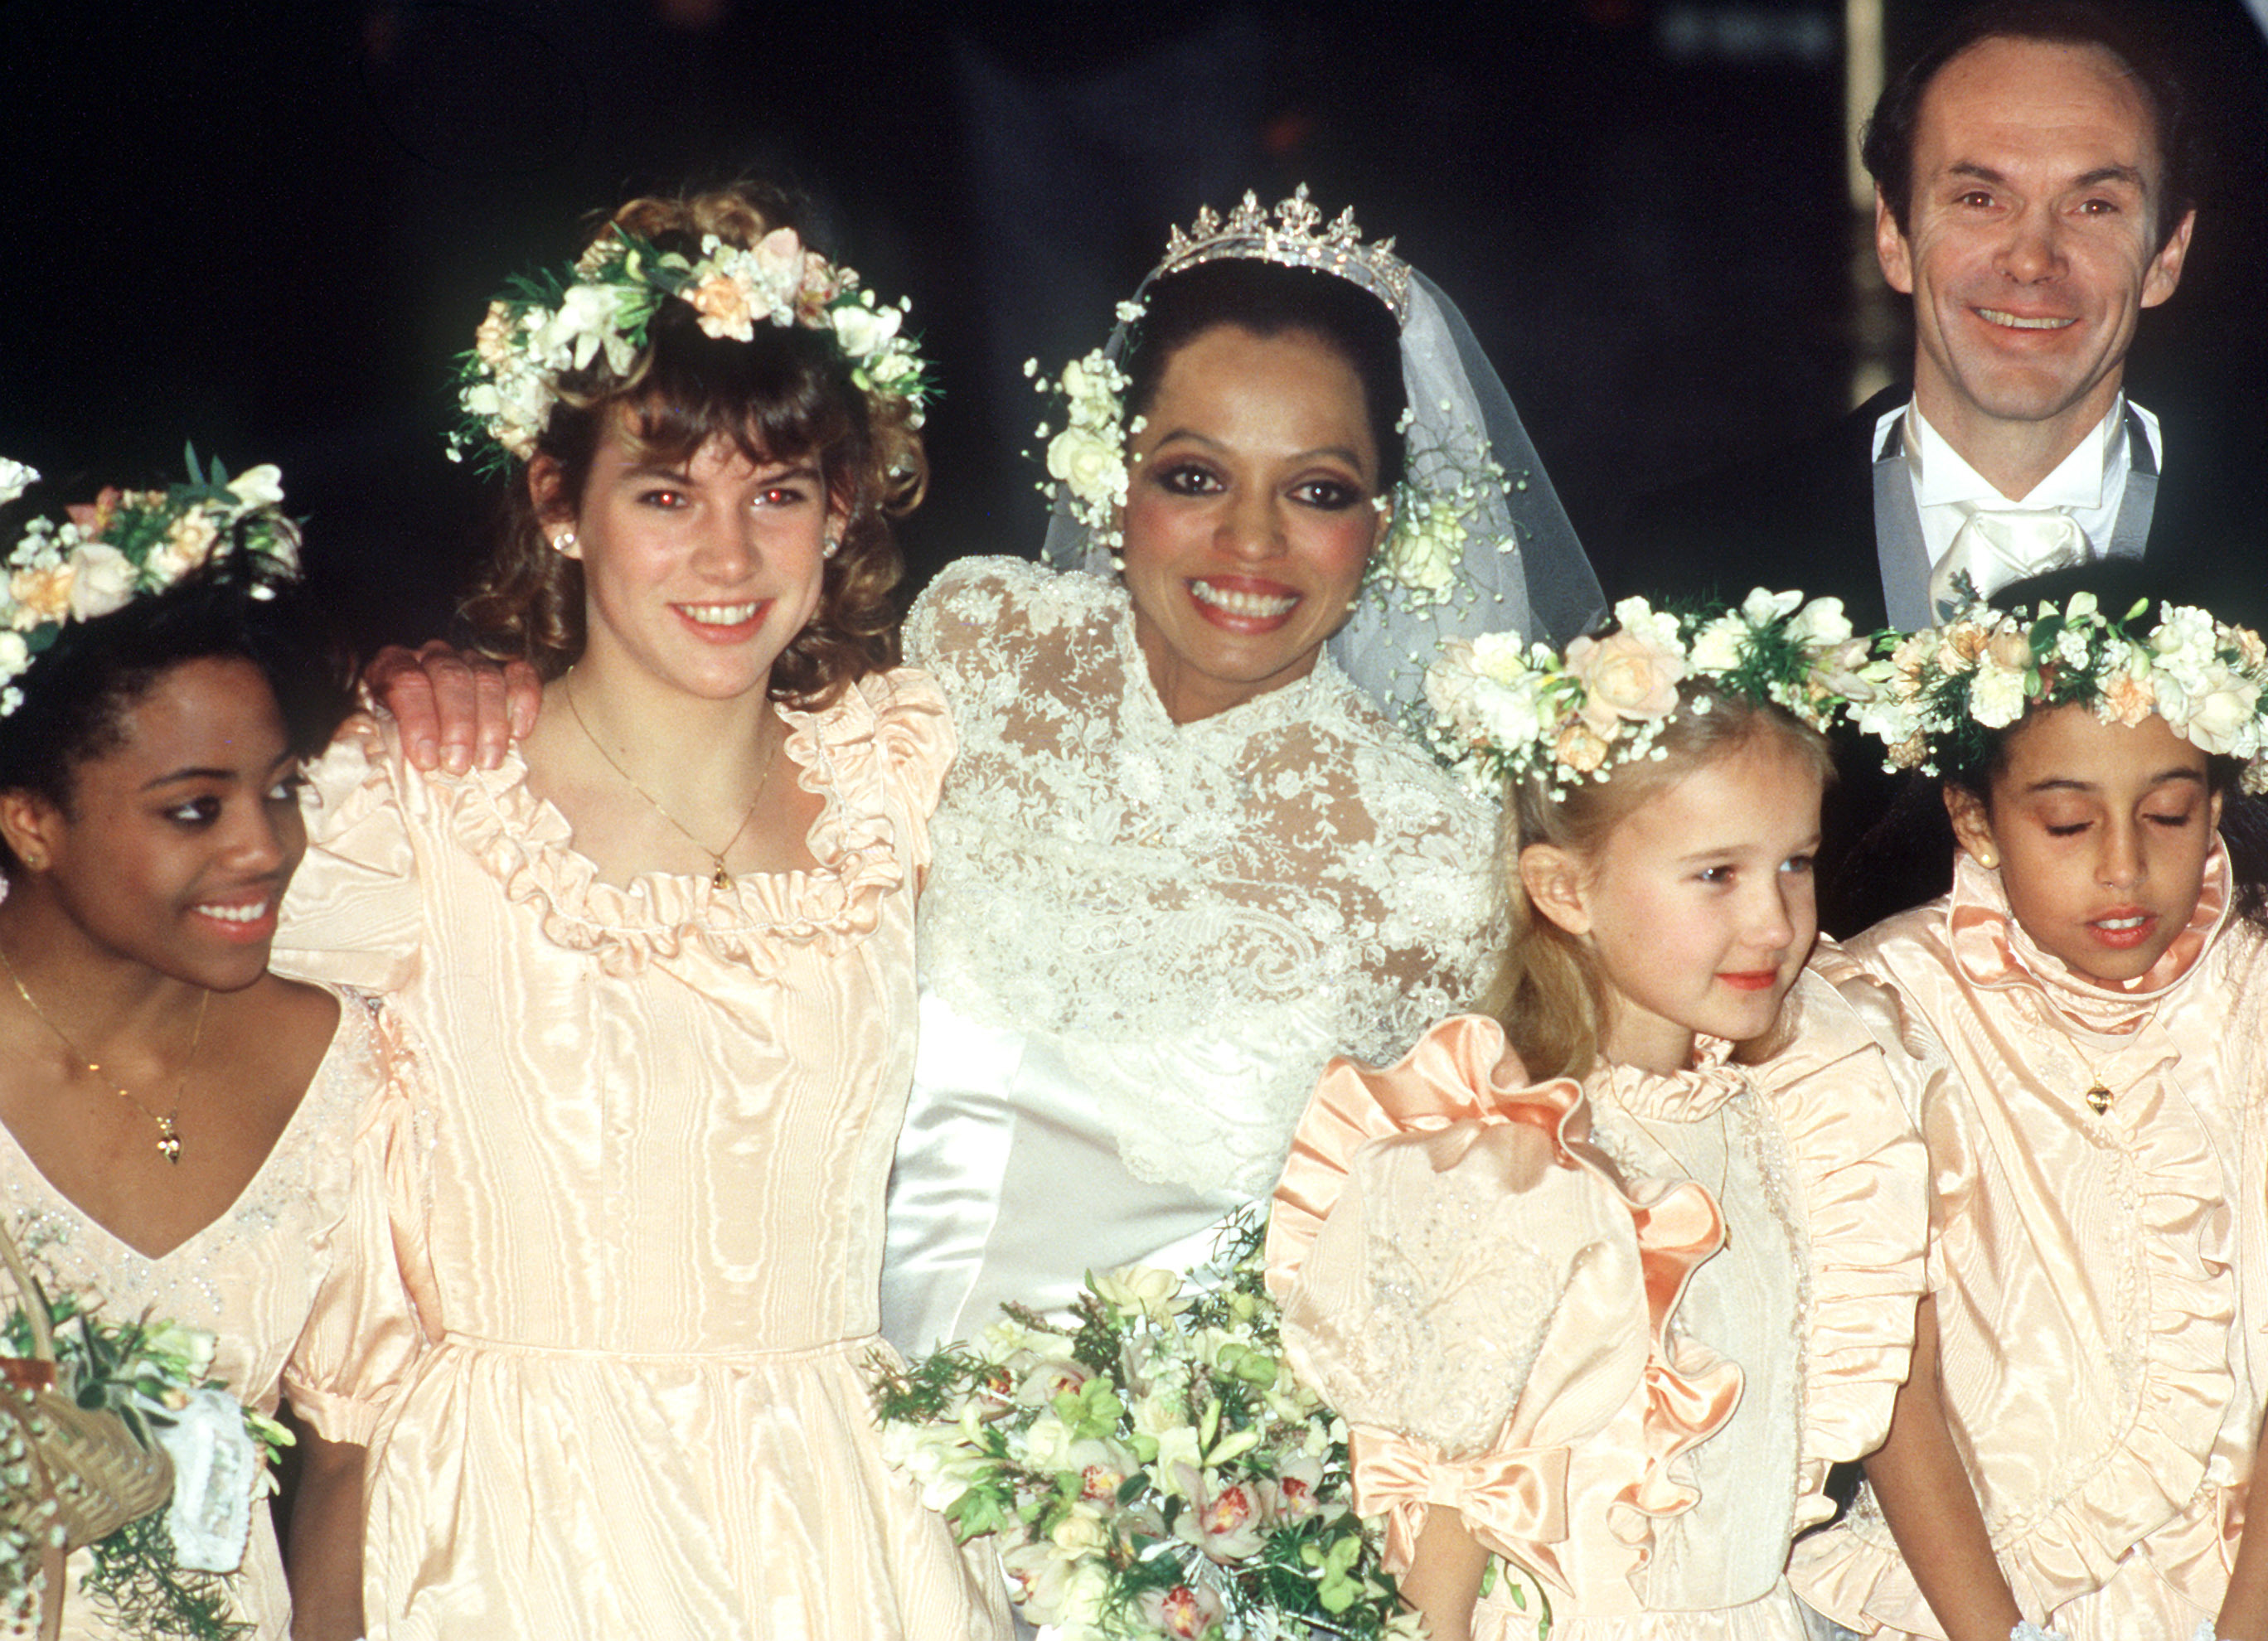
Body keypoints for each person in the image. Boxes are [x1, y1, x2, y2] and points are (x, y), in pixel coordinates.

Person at [371, 188, 1605, 1358]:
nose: (1249, 540)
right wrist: (466, 678)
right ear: (1110, 475)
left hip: (1155, 1523)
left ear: (1385, 529)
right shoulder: (972, 662)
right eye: (1193, 475)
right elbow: (692, 710)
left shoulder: (1437, 853)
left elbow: (1449, 1260)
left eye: (1318, 491)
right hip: (817, 1418)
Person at [274, 186, 1010, 1637]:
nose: (728, 560)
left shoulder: (905, 780)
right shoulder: (410, 803)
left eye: (778, 493)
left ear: (842, 507)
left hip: (844, 1538)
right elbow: (335, 1294)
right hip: (510, 1540)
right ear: (558, 502)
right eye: (665, 495)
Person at [1793, 564, 2268, 1641]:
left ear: (2216, 798)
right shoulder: (1881, 1011)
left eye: (2166, 814)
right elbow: (1896, 1379)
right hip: (1973, 1587)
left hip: (2257, 1574)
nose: (2123, 867)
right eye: (2067, 825)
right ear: (1975, 819)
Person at [1625, 0, 2268, 932]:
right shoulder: (1682, 570)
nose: (2032, 259)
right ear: (1894, 232)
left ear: (2166, 255)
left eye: (2095, 205)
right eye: (1980, 199)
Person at [1267, 594, 1926, 1640]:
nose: (1774, 920)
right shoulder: (1510, 1167)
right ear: (1564, 891)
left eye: (1794, 863)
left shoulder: (1792, 1105)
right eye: (1716, 875)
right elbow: (1441, 1517)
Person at [0, 458, 405, 1641]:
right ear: (31, 822)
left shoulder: (345, 1067)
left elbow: (349, 1464)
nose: (261, 849)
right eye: (194, 809)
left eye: (279, 792)